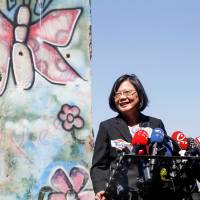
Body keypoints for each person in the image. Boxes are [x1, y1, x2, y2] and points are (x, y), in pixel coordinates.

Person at [90, 74, 170, 200]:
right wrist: (101, 188)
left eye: (127, 92)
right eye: (117, 94)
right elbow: (99, 165)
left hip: (154, 194)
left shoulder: (155, 124)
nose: (122, 97)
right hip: (120, 195)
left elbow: (167, 160)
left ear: (139, 94)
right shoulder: (107, 127)